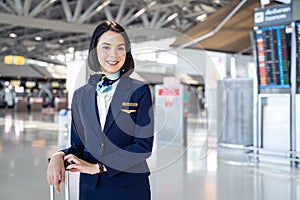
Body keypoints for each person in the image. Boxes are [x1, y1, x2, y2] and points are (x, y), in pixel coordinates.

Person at [47, 21, 154, 200]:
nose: (114, 55)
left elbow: (143, 147)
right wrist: (59, 155)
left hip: (130, 188)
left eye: (120, 48)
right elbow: (79, 146)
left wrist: (99, 167)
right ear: (94, 51)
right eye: (106, 47)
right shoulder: (81, 95)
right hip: (91, 189)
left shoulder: (139, 91)